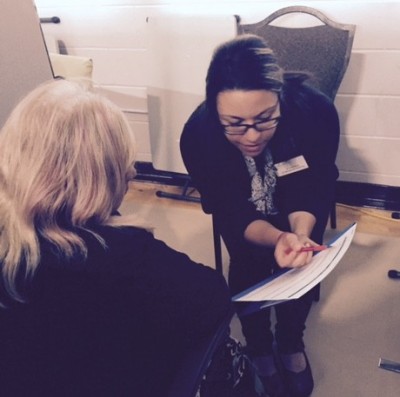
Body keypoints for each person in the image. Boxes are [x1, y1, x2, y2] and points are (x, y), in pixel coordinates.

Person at [0, 79, 234, 397]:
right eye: (121, 163)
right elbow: (213, 299)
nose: (131, 173)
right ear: (100, 173)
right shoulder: (120, 254)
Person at [180, 34, 340, 397]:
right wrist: (276, 237)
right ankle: (258, 347)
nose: (251, 136)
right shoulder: (199, 135)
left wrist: (297, 232)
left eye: (265, 119)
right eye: (235, 123)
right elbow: (233, 211)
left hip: (294, 201)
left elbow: (313, 182)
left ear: (280, 97)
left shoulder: (315, 112)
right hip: (245, 217)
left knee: (301, 262)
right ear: (214, 110)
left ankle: (290, 343)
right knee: (248, 264)